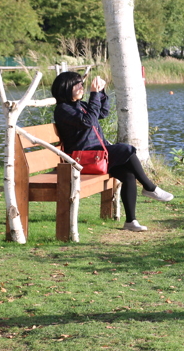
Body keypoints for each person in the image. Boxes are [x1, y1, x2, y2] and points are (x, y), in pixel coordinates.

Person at [51, 71, 173, 232]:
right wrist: (93, 94)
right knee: (127, 149)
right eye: (78, 84)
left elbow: (102, 113)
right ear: (66, 88)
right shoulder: (63, 109)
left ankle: (131, 221)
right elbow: (89, 122)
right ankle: (150, 187)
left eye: (82, 84)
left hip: (96, 156)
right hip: (82, 160)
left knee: (128, 175)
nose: (82, 87)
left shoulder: (80, 105)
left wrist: (100, 93)